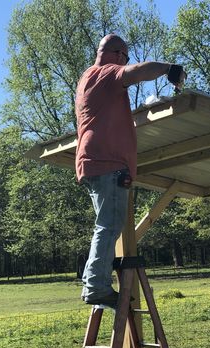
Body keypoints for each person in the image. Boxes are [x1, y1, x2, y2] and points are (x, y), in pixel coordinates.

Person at [75, 33, 186, 307]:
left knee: (106, 225)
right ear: (117, 55)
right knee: (109, 225)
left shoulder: (87, 78)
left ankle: (96, 280)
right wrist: (167, 69)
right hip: (109, 163)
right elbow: (137, 72)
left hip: (92, 163)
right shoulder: (106, 73)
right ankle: (96, 286)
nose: (126, 62)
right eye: (125, 57)